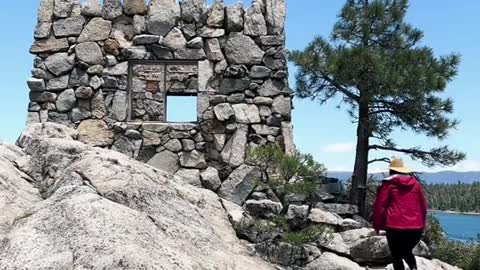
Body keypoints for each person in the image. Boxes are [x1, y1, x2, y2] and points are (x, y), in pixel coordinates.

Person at [373, 158, 428, 270]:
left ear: (391, 171)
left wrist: (377, 226)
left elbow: (380, 206)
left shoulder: (388, 185)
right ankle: (413, 268)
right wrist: (422, 225)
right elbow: (423, 207)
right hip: (415, 228)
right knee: (406, 251)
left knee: (397, 256)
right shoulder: (416, 185)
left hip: (395, 227)